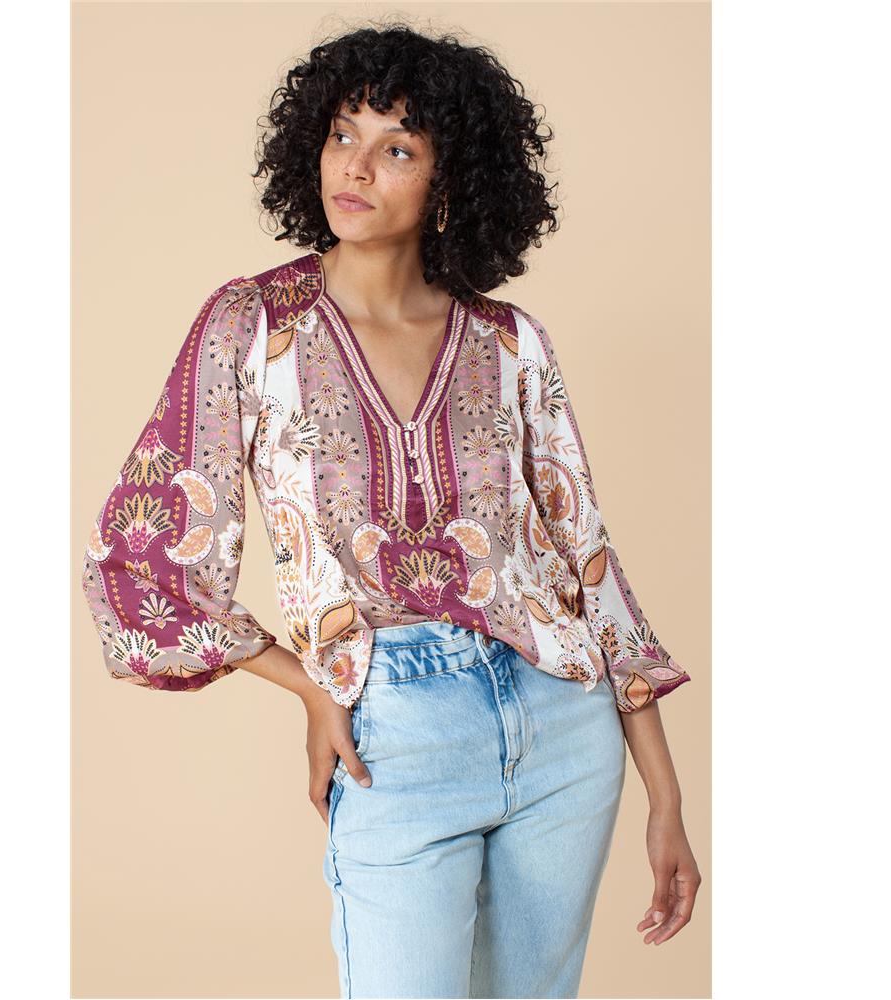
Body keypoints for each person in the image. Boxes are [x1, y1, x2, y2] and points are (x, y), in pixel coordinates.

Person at [80, 21, 702, 1000]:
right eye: (342, 135)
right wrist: (311, 685)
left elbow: (586, 556)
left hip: (562, 722)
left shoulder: (510, 342)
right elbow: (145, 548)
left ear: (451, 179)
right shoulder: (252, 325)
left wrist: (666, 796)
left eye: (398, 148)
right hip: (395, 730)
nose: (357, 167)